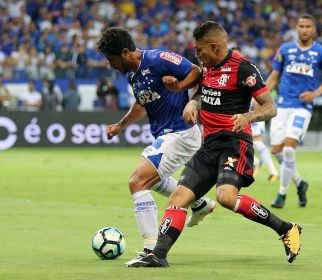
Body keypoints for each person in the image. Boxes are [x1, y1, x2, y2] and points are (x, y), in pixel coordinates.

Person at [127, 21, 302, 268]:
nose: (197, 56)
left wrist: (249, 116)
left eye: (200, 50)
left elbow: (270, 107)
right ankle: (159, 255)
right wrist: (193, 104)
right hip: (209, 146)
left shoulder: (244, 69)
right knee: (177, 198)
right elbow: (201, 93)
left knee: (226, 198)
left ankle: (286, 229)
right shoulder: (207, 68)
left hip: (234, 143)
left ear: (215, 46)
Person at [97, 27, 216, 264]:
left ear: (125, 52)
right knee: (155, 181)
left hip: (180, 132)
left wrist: (180, 88)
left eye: (111, 60)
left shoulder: (158, 58)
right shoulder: (132, 74)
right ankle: (200, 203)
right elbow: (142, 103)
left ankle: (152, 249)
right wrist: (121, 125)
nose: (111, 66)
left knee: (137, 181)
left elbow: (195, 71)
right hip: (167, 134)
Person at [266, 14, 322, 208]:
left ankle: (281, 195)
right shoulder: (285, 50)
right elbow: (274, 76)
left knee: (288, 149)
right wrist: (260, 96)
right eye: (301, 26)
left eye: (307, 26)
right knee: (276, 150)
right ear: (296, 28)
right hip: (282, 105)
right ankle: (300, 183)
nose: (304, 29)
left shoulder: (321, 52)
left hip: (303, 107)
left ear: (314, 30)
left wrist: (315, 93)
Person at [232, 47, 279, 182]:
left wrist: (255, 103)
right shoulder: (228, 71)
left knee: (257, 142)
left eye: (237, 54)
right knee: (235, 142)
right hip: (237, 112)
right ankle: (256, 161)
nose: (235, 56)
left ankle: (273, 171)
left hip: (252, 110)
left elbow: (260, 89)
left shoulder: (248, 68)